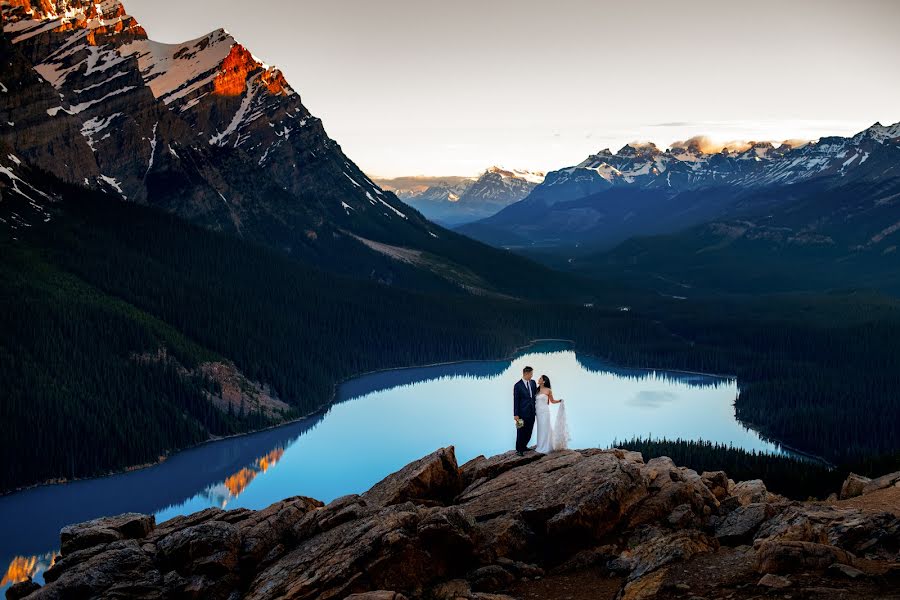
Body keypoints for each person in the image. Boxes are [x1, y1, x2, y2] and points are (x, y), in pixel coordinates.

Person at [535, 375, 566, 454]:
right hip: (538, 412)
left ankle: (546, 446)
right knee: (540, 428)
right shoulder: (536, 390)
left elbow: (552, 401)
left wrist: (559, 401)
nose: (538, 379)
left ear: (544, 381)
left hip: (545, 412)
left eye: (540, 378)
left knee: (546, 428)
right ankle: (540, 445)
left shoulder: (548, 390)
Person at [513, 366, 537, 456]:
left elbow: (535, 395)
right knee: (520, 431)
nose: (532, 375)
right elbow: (516, 400)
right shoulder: (517, 385)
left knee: (529, 430)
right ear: (526, 374)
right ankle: (519, 450)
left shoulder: (533, 383)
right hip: (521, 414)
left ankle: (524, 446)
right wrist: (516, 414)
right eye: (531, 374)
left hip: (531, 412)